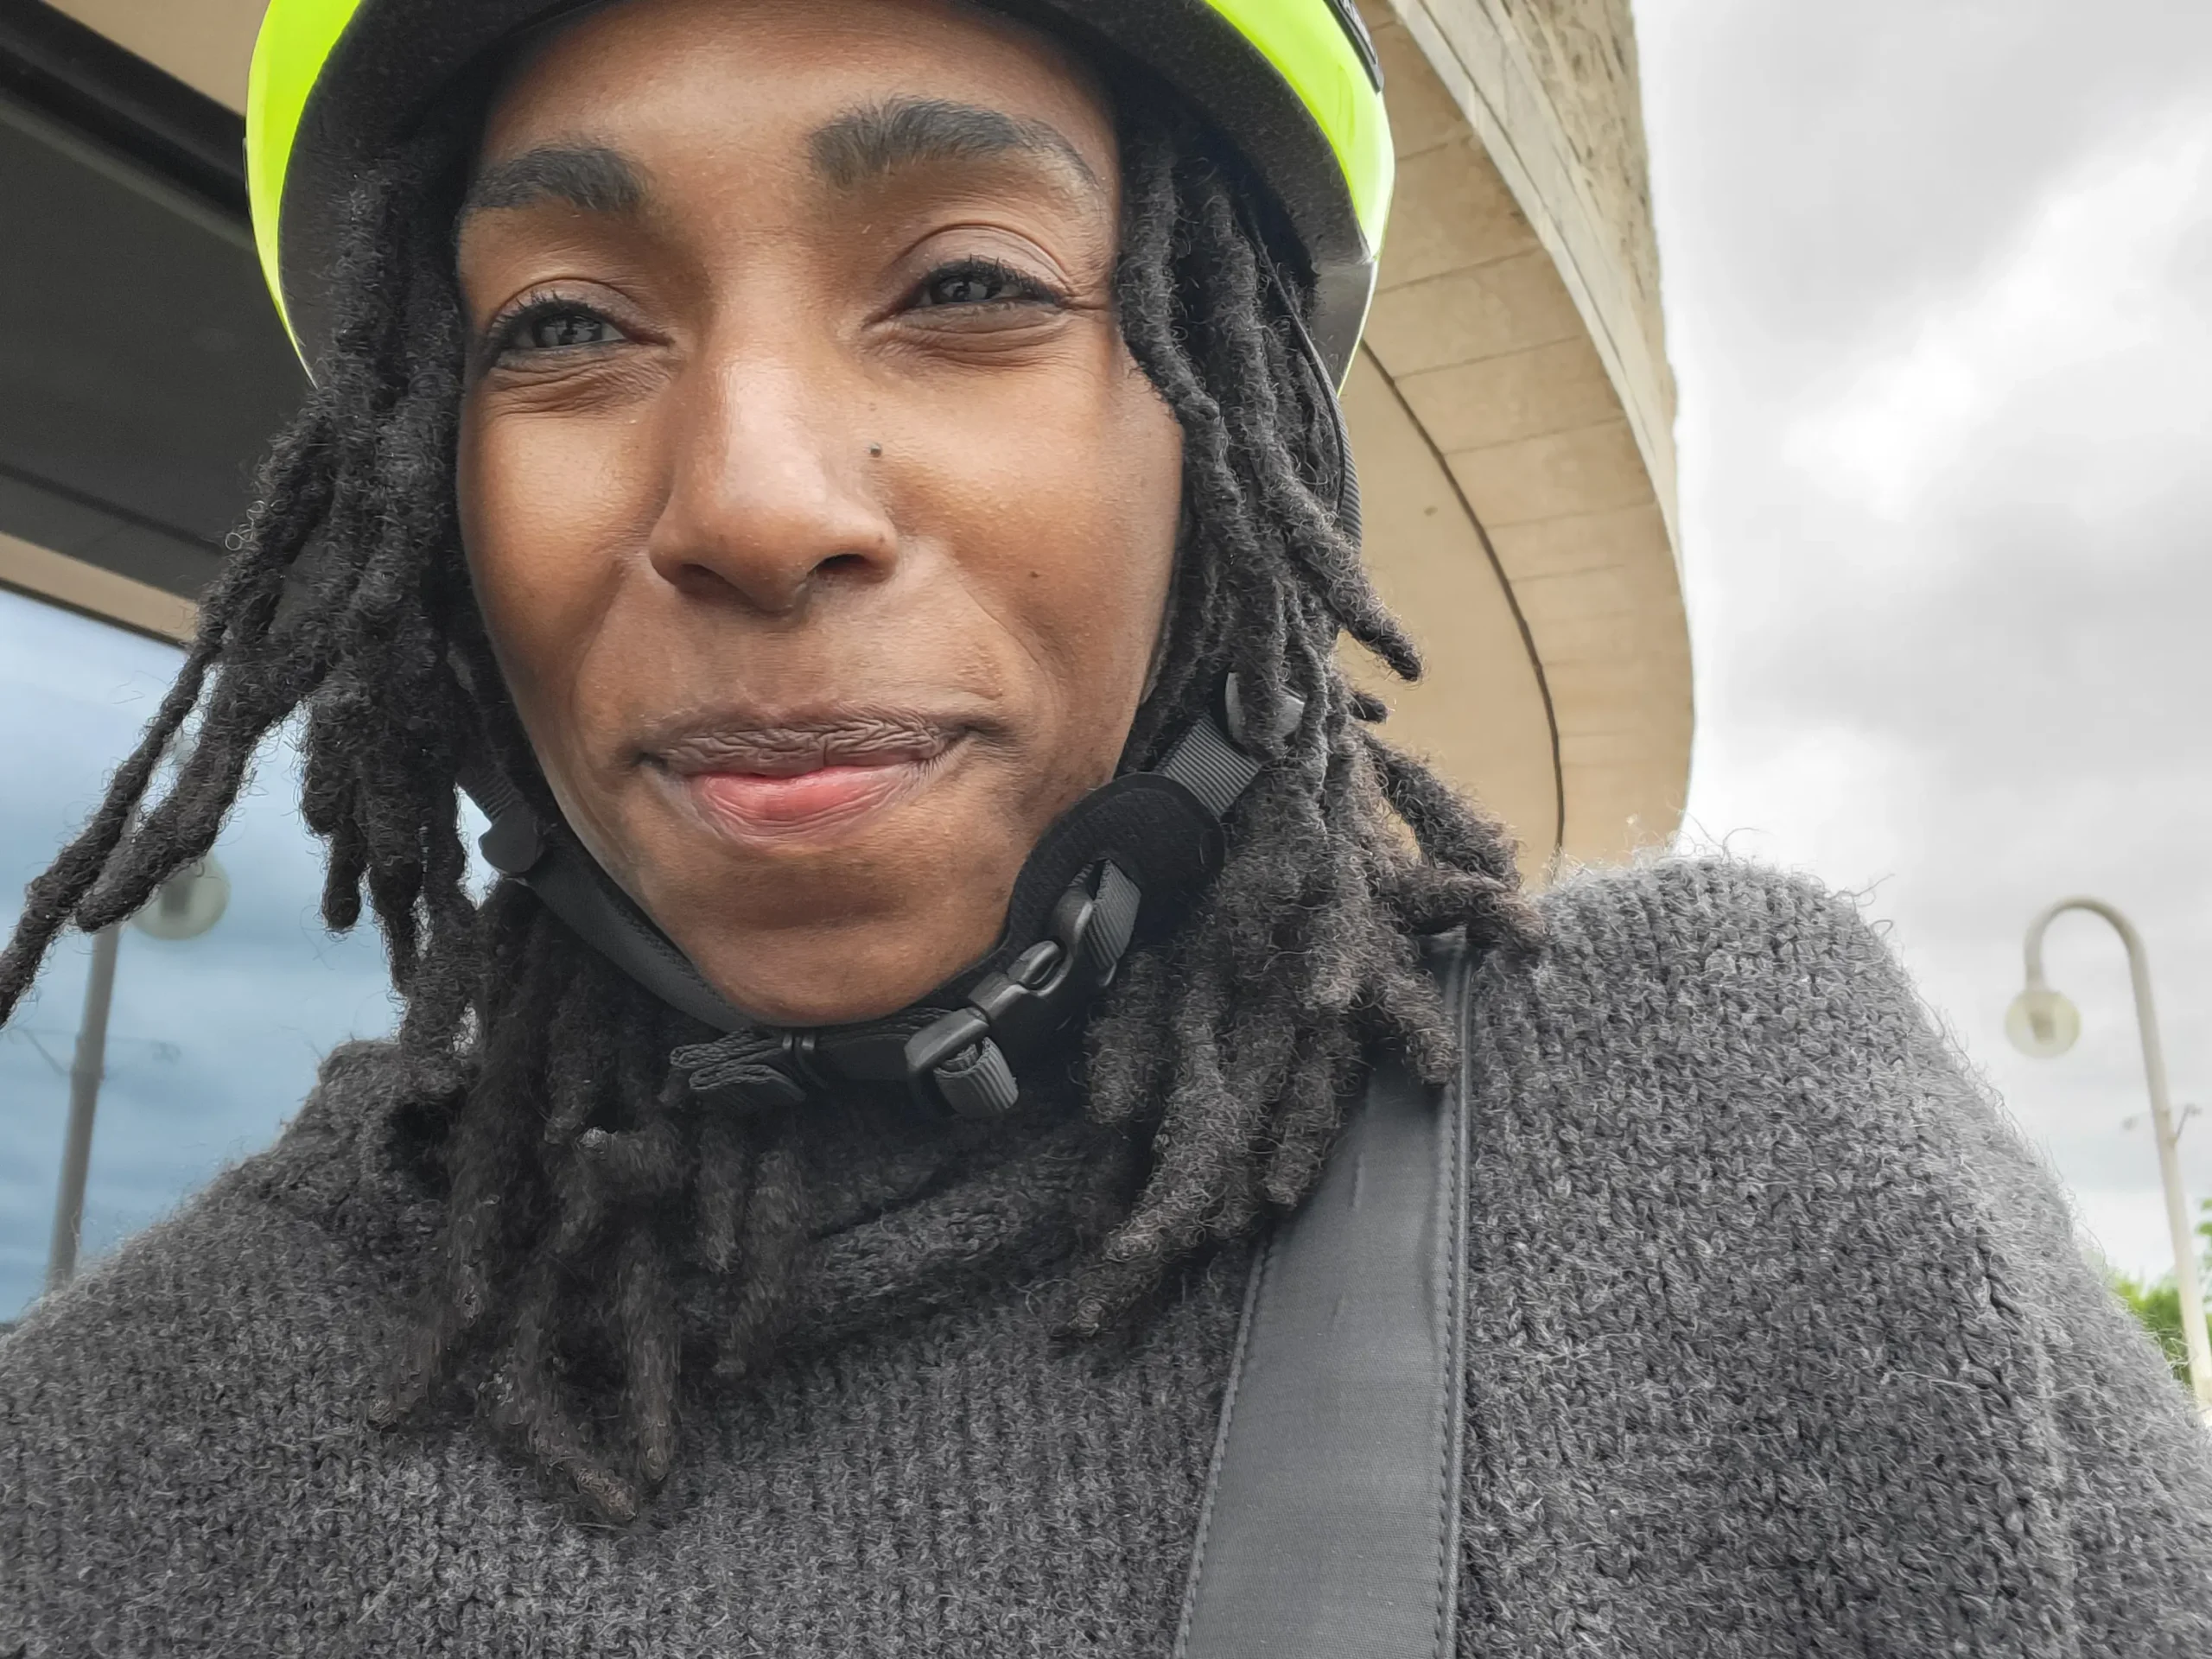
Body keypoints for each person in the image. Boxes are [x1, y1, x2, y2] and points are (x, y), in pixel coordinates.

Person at [3, 0, 2209, 1652]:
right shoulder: (113, 1470)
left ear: (1221, 411)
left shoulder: (1755, 1161)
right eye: (566, 323)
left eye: (966, 286)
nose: (756, 498)